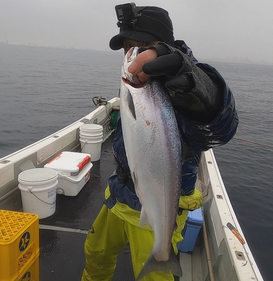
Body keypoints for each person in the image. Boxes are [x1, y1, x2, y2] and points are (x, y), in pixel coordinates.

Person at [81, 3, 238, 281]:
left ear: (165, 45)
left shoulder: (183, 82)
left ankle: (162, 254)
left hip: (163, 203)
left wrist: (197, 89)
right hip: (119, 194)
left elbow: (219, 126)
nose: (134, 53)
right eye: (128, 46)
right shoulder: (136, 85)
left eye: (144, 45)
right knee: (95, 253)